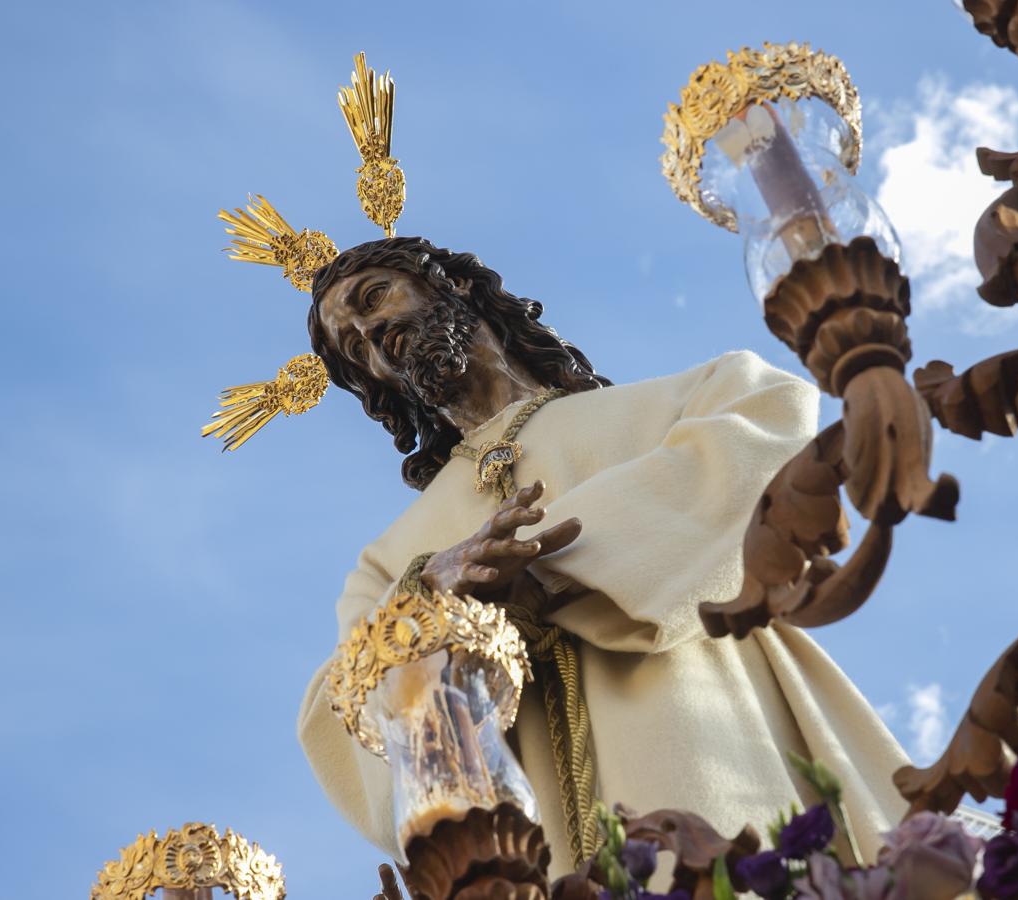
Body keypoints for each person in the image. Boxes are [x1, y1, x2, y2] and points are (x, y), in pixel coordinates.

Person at [295, 236, 909, 873]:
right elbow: (340, 708)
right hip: (535, 828)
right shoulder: (391, 558)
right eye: (355, 349)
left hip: (703, 724)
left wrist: (548, 565)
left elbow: (767, 428)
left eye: (374, 298)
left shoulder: (679, 402)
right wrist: (429, 600)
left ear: (456, 285)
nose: (372, 334)